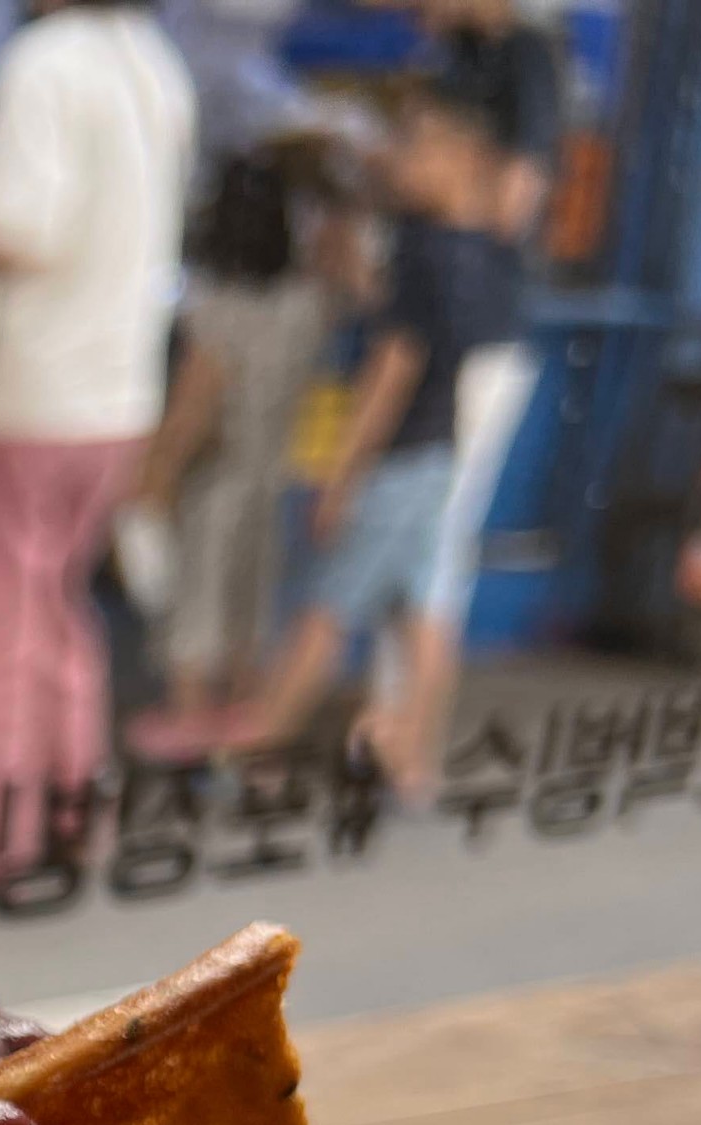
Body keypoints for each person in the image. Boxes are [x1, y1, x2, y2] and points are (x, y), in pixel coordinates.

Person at [0, 0, 195, 894]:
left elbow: (28, 230)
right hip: (120, 390)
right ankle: (73, 811)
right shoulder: (154, 60)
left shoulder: (46, 62)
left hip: (29, 391)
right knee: (57, 604)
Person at [135, 84, 520, 764]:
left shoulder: (421, 254)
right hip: (435, 453)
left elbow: (390, 369)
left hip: (388, 461)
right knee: (422, 614)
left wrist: (342, 477)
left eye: (415, 144)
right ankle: (412, 760)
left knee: (322, 611)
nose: (397, 158)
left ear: (462, 157)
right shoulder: (482, 254)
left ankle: (251, 744)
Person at [386, 0, 561, 794]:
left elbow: (513, 201)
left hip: (477, 343)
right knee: (410, 536)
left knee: (434, 537)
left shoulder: (527, 60)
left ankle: (412, 750)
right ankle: (389, 725)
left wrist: (446, 191)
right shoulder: (457, 51)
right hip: (445, 337)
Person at [127, 150, 336, 720]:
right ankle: (244, 736)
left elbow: (194, 408)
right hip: (275, 485)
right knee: (252, 619)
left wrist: (153, 475)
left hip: (215, 487)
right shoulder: (309, 305)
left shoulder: (215, 312)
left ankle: (192, 731)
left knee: (196, 622)